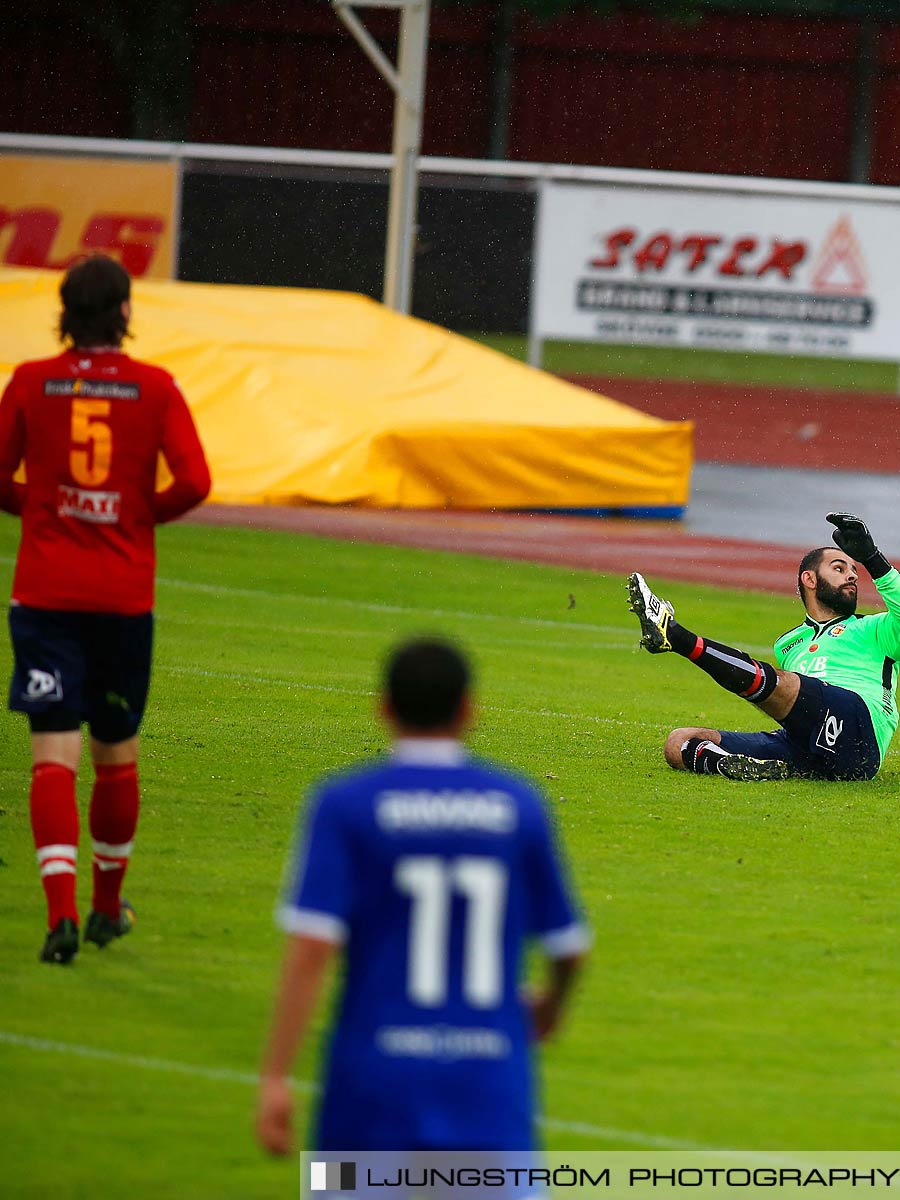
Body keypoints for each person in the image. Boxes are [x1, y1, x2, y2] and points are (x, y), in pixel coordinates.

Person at [256, 637, 590, 1157]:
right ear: (468, 711)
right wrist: (550, 1008)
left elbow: (312, 948)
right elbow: (569, 948)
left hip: (368, 1091)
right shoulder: (518, 805)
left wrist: (276, 1076)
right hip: (489, 1090)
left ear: (384, 707)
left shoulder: (344, 804)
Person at [1, 253, 212, 965]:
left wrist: (40, 508)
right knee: (115, 752)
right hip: (122, 597)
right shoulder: (154, 388)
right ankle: (103, 906)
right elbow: (196, 481)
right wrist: (135, 515)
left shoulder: (31, 381)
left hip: (45, 594)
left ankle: (58, 913)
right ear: (125, 312)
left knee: (52, 753)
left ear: (63, 311)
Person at [627, 512, 900, 782]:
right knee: (679, 743)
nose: (852, 575)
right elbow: (788, 706)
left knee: (786, 682)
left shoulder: (877, 628)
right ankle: (742, 765)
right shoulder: (789, 643)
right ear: (810, 579)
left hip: (859, 735)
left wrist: (872, 557)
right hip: (805, 744)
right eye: (838, 567)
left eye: (854, 570)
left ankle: (674, 635)